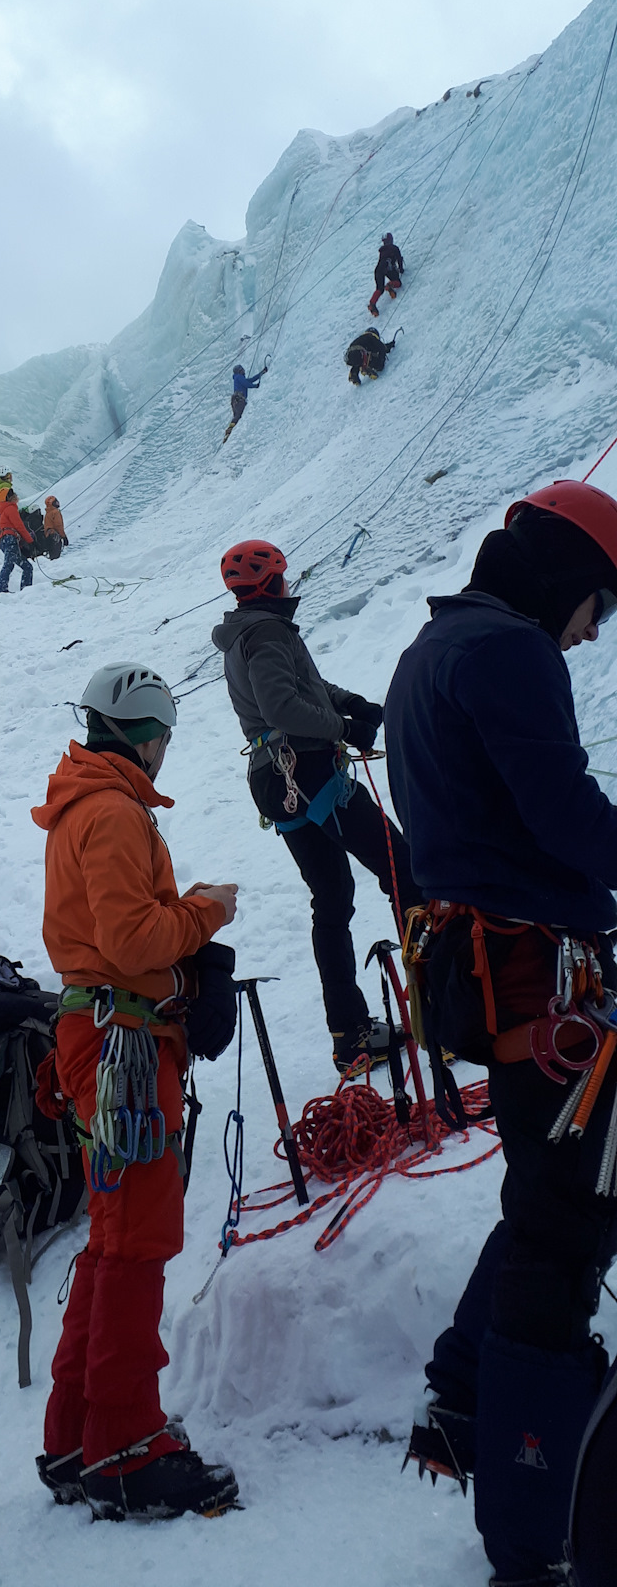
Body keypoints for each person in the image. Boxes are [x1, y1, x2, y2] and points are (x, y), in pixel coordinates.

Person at [384, 479, 617, 1586]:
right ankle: (531, 1540)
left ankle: (467, 1388)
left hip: (491, 974)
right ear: (568, 577)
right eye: (598, 609)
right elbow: (561, 809)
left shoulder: (435, 647)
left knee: (544, 1200)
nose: (591, 634)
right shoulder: (513, 652)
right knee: (565, 1232)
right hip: (537, 983)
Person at [32, 663, 240, 1520]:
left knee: (116, 1236)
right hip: (123, 1039)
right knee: (137, 1239)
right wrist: (204, 913)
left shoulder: (87, 801)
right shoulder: (116, 812)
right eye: (165, 737)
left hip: (103, 1033)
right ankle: (125, 1443)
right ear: (147, 734)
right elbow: (132, 937)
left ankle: (80, 1432)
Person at [213, 539, 419, 1072]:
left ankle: (349, 1035)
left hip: (277, 782)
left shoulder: (245, 635)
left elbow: (302, 686)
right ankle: (442, 1009)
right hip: (306, 771)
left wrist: (348, 703)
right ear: (275, 583)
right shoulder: (268, 631)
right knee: (405, 871)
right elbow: (284, 703)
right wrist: (344, 726)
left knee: (332, 895)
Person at [0, 487, 35, 594]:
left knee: (26, 566)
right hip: (10, 539)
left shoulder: (5, 510)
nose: (16, 495)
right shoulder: (11, 509)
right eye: (13, 495)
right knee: (9, 564)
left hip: (6, 540)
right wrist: (30, 541)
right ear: (9, 498)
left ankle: (25, 591)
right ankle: (1, 590)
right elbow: (19, 526)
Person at [223, 363, 265, 444]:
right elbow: (247, 384)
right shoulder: (239, 377)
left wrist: (261, 373)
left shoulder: (238, 378)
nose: (244, 371)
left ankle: (229, 432)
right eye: (242, 369)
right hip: (239, 399)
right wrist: (255, 386)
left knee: (236, 416)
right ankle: (229, 430)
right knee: (237, 416)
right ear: (239, 371)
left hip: (235, 400)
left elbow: (251, 379)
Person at [369, 232, 403, 314]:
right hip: (388, 268)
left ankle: (372, 303)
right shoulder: (394, 248)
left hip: (378, 269)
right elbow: (399, 259)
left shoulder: (382, 251)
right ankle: (390, 285)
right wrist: (401, 269)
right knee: (398, 282)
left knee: (379, 289)